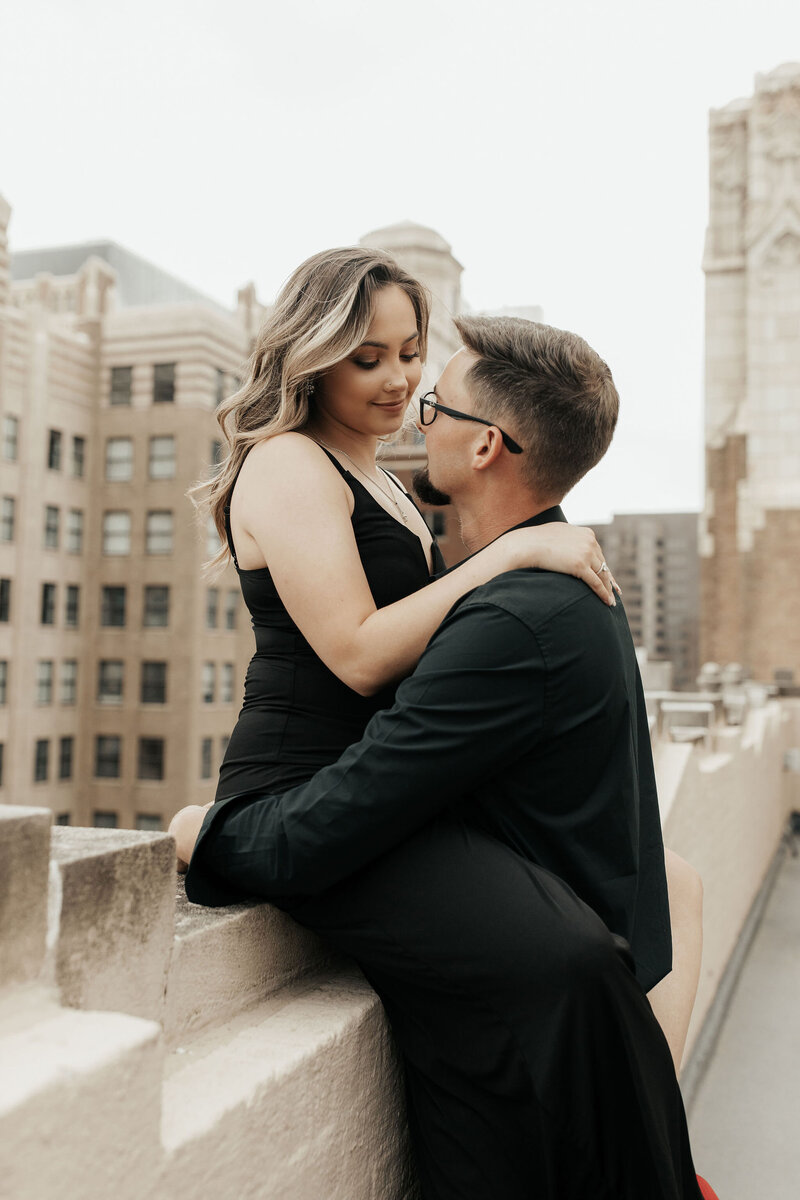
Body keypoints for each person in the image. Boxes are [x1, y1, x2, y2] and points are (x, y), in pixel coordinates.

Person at [174, 315, 714, 1198]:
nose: (414, 408)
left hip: (389, 854)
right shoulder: (544, 576)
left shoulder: (517, 611)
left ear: (488, 445)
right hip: (357, 811)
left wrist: (215, 832)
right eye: (372, 359)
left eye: (431, 394)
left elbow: (349, 807)